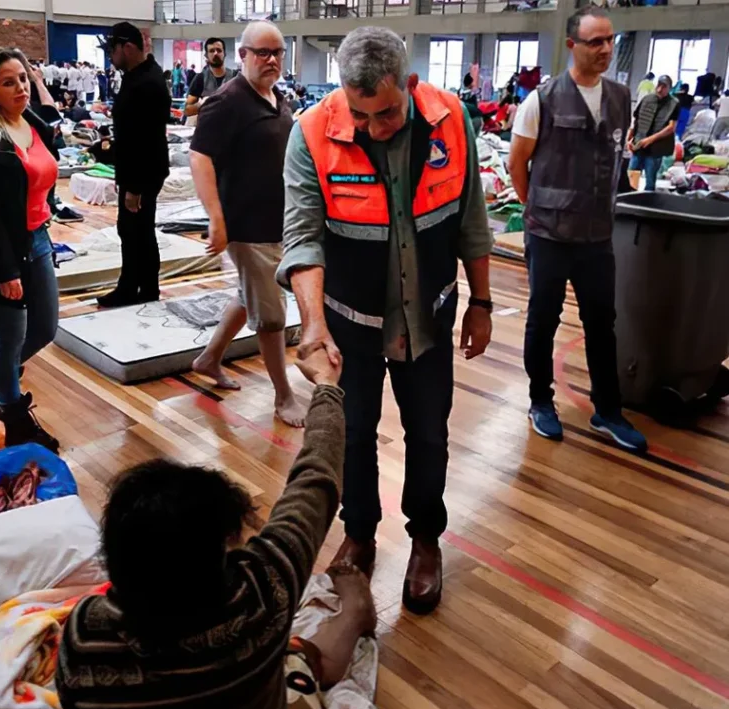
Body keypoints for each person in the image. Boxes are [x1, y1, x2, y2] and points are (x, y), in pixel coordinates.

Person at [278, 26, 494, 615]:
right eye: (361, 114)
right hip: (351, 322)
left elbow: (471, 214)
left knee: (429, 434)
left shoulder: (451, 118)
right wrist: (313, 324)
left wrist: (481, 301)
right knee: (353, 434)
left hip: (429, 318)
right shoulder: (312, 134)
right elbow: (301, 237)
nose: (373, 128)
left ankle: (426, 538)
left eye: (387, 113)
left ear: (411, 84)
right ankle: (360, 533)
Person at [57, 342, 379, 709]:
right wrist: (325, 383)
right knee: (302, 656)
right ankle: (353, 612)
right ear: (220, 554)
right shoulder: (263, 592)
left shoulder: (85, 636)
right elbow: (317, 478)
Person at [508, 6, 647, 451]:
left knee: (602, 324)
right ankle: (540, 402)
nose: (606, 49)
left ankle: (608, 411)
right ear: (573, 45)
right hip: (548, 235)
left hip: (597, 237)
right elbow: (517, 164)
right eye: (595, 42)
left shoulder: (622, 97)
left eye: (610, 40)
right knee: (543, 321)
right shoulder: (542, 100)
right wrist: (536, 211)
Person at [188, 21, 306, 428]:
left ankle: (209, 358)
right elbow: (199, 157)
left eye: (278, 52)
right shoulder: (227, 101)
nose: (272, 60)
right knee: (271, 314)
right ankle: (283, 397)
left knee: (248, 294)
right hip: (248, 224)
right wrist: (217, 218)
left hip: (278, 221)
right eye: (262, 53)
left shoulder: (277, 97)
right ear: (243, 56)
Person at [0, 48, 63, 452]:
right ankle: (15, 418)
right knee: (8, 337)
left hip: (37, 238)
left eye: (23, 78)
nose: (20, 87)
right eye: (9, 82)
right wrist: (5, 270)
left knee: (45, 327)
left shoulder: (30, 122)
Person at [97, 22, 170, 308]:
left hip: (143, 172)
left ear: (127, 47)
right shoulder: (137, 75)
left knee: (136, 230)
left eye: (112, 50)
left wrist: (135, 188)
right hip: (136, 170)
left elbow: (146, 140)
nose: (110, 57)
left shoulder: (147, 83)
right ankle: (140, 287)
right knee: (134, 230)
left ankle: (137, 288)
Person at [627, 74, 678, 192]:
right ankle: (629, 203)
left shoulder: (673, 104)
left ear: (669, 88)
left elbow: (671, 128)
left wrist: (650, 139)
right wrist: (629, 138)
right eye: (658, 85)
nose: (660, 89)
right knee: (632, 178)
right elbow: (637, 119)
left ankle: (647, 206)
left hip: (656, 148)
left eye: (664, 87)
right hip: (639, 144)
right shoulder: (647, 99)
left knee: (650, 181)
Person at [185, 37, 237, 121]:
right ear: (206, 55)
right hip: (207, 128)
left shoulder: (235, 77)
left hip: (232, 128)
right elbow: (187, 110)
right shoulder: (200, 78)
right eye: (212, 51)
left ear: (224, 53)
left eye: (219, 50)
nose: (216, 53)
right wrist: (203, 105)